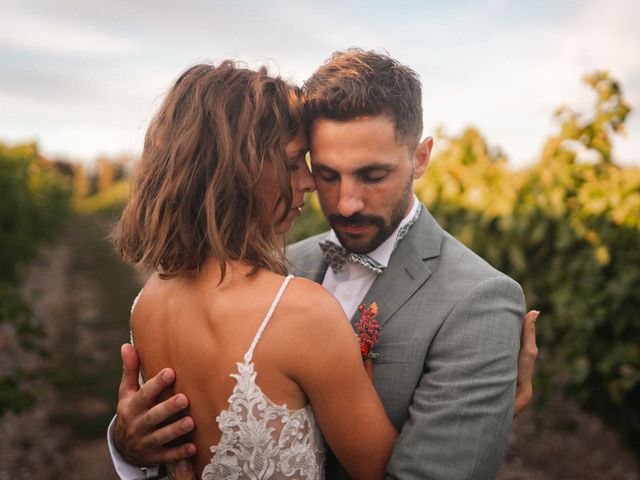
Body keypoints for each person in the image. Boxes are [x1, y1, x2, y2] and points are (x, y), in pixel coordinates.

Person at [110, 50, 539, 479]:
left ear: (421, 158)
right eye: (327, 174)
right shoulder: (285, 267)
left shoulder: (478, 301)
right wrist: (127, 446)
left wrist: (478, 424)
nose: (346, 203)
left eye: (372, 176)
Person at [112, 61, 400, 479]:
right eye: (291, 162)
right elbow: (387, 471)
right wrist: (494, 409)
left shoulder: (147, 303)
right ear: (236, 170)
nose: (308, 182)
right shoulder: (301, 313)